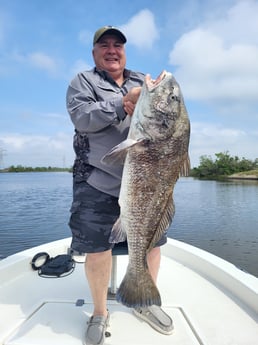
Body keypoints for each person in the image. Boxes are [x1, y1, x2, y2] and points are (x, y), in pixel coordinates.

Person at [66, 26, 173, 345]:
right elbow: (82, 119)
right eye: (104, 45)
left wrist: (162, 99)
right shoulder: (82, 82)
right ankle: (100, 312)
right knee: (98, 249)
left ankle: (145, 301)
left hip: (148, 181)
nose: (112, 50)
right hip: (97, 181)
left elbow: (167, 123)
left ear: (125, 51)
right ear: (94, 52)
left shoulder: (144, 80)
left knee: (152, 243)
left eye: (118, 45)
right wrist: (122, 102)